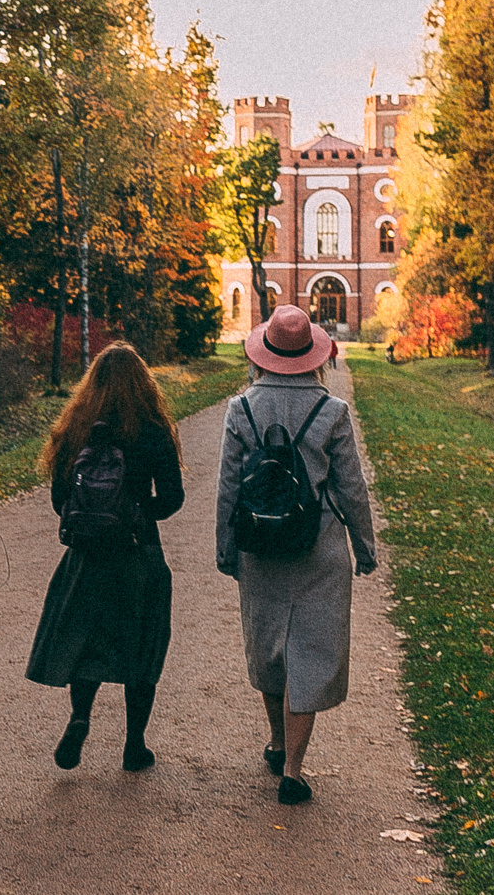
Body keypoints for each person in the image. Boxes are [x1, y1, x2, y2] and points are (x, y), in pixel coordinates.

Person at [213, 304, 379, 804]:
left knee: (269, 648)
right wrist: (365, 546)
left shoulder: (240, 409)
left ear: (264, 354)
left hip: (260, 548)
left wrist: (227, 548)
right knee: (309, 652)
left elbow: (227, 489)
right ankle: (293, 769)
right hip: (319, 547)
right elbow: (351, 488)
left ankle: (277, 739)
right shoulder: (332, 413)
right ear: (314, 356)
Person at [25, 343, 184, 772]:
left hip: (86, 557)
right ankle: (134, 745)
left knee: (85, 639)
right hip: (137, 552)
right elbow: (173, 498)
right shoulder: (151, 429)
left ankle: (80, 717)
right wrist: (135, 512)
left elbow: (60, 497)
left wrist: (91, 517)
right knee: (143, 644)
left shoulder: (76, 428)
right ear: (143, 384)